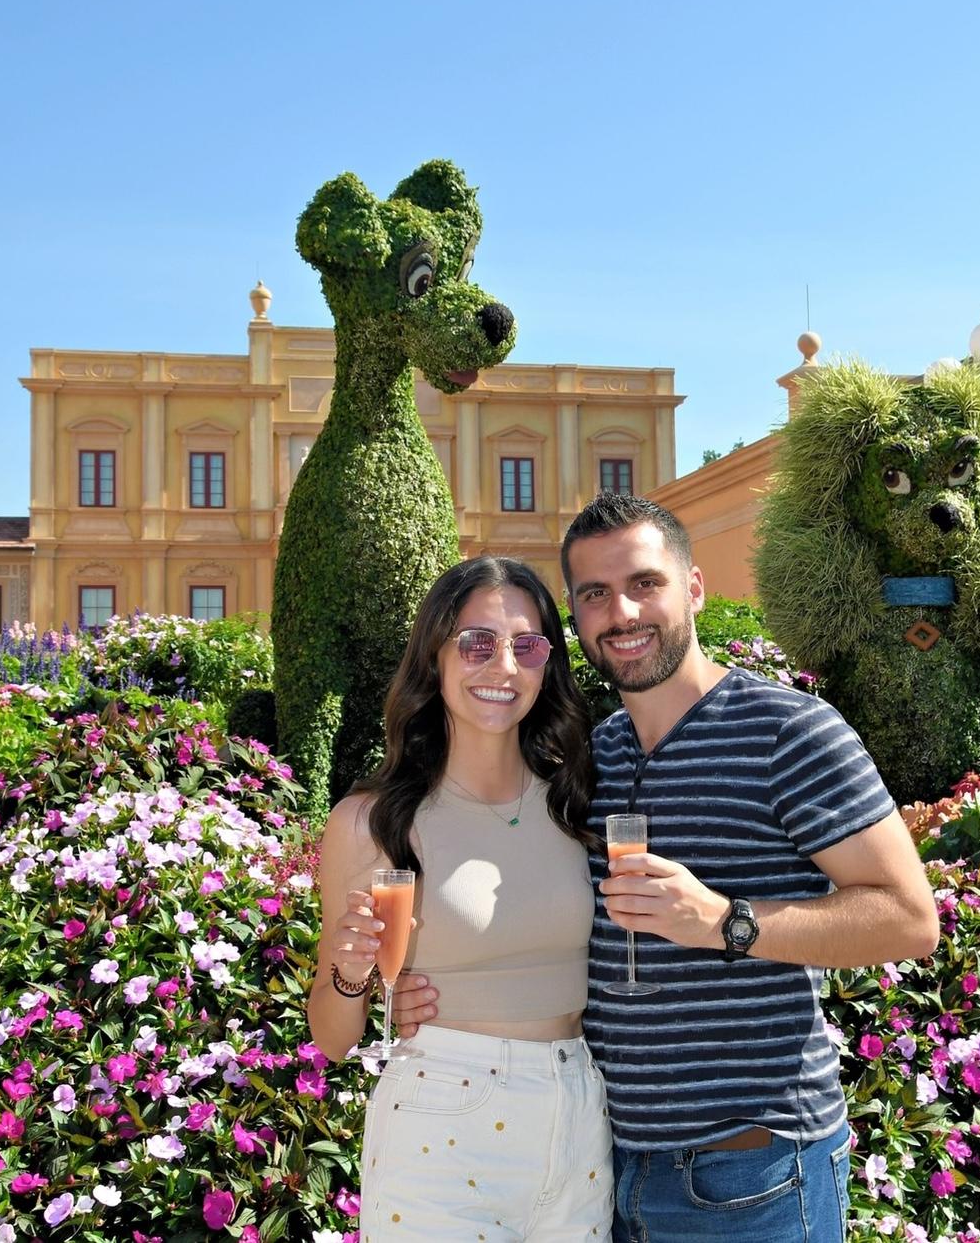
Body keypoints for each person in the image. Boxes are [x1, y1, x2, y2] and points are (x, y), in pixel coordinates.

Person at [396, 495, 941, 1243]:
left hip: (754, 1171)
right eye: (593, 594)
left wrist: (725, 920)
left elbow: (910, 920)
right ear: (577, 620)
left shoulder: (790, 731)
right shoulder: (590, 760)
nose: (621, 612)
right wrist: (428, 998)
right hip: (604, 1168)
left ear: (693, 587)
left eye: (644, 583)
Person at [308, 555, 613, 1241]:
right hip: (441, 1127)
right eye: (476, 642)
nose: (502, 666)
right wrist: (354, 973)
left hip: (580, 1115)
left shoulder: (579, 802)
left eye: (527, 645)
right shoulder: (370, 821)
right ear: (435, 656)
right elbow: (332, 1038)